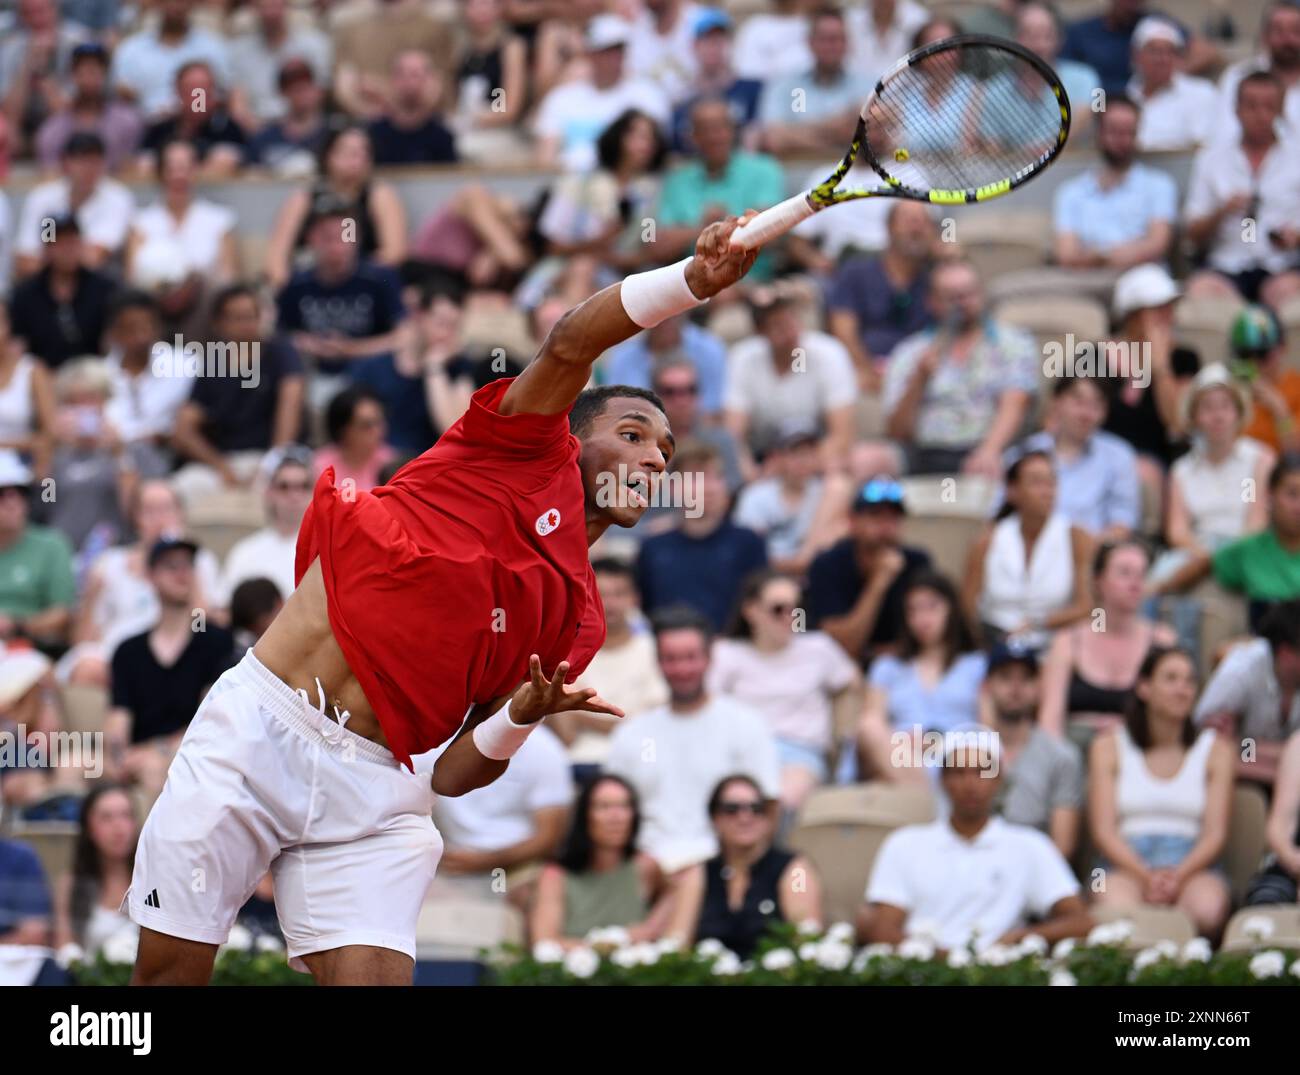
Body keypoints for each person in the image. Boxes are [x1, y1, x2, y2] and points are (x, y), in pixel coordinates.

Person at [125, 212, 762, 985]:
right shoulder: (518, 443)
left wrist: (521, 717)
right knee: (164, 980)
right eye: (633, 433)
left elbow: (454, 772)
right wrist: (689, 282)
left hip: (377, 788)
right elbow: (571, 339)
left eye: (664, 450)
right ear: (575, 429)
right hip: (264, 727)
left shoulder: (578, 617)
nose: (653, 456)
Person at [859, 730, 1091, 952]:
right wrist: (935, 958)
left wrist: (1019, 938)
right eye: (959, 772)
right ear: (943, 779)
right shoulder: (904, 844)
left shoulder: (1030, 846)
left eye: (982, 772)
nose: (970, 784)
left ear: (999, 779)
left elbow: (1081, 922)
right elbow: (883, 929)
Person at [606, 605, 781, 872]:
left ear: (709, 658)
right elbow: (612, 810)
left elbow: (768, 807)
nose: (681, 668)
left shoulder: (747, 725)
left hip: (724, 866)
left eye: (690, 657)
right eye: (671, 659)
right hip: (647, 867)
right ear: (658, 662)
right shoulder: (632, 734)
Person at [1088, 647, 1233, 941]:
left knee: (1207, 909)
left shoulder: (1218, 750)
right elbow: (1103, 832)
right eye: (1171, 679)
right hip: (1123, 862)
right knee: (1116, 912)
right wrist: (1146, 876)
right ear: (1144, 687)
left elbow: (1215, 835)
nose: (1183, 689)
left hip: (1193, 862)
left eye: (1189, 681)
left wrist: (1177, 876)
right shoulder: (1107, 746)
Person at [709, 568, 860, 809]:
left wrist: (844, 732)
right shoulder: (727, 653)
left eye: (796, 608)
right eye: (778, 609)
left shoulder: (818, 648)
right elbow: (708, 704)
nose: (790, 616)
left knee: (780, 801)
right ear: (751, 611)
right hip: (738, 754)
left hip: (799, 753)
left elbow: (854, 685)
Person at [105, 535, 236, 798]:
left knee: (156, 768)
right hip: (138, 756)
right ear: (151, 576)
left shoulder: (216, 641)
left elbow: (210, 720)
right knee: (76, 764)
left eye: (188, 565)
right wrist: (118, 756)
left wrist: (160, 749)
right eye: (171, 566)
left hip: (194, 752)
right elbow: (118, 719)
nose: (182, 574)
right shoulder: (128, 651)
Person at [883, 259, 1039, 477]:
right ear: (932, 302)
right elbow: (897, 432)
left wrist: (990, 450)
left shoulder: (1013, 343)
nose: (963, 303)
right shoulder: (910, 352)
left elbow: (1015, 405)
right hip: (922, 451)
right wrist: (918, 380)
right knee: (865, 460)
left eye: (969, 293)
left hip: (986, 449)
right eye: (952, 297)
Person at [64, 479, 222, 686]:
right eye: (149, 511)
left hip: (177, 650)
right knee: (85, 667)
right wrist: (91, 596)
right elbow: (83, 642)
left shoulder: (200, 560)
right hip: (116, 657)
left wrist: (186, 568)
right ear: (135, 518)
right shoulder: (110, 563)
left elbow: (203, 624)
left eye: (167, 509)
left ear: (181, 515)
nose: (159, 519)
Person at [170, 284, 306, 500]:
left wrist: (269, 467)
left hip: (270, 459)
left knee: (281, 487)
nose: (247, 325)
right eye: (238, 318)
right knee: (180, 489)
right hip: (224, 462)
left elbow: (289, 412)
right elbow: (184, 428)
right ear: (219, 324)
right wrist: (221, 467)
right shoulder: (214, 362)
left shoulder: (281, 353)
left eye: (251, 317)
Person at [530, 774, 697, 948]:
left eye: (625, 806)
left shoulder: (645, 866)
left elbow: (674, 893)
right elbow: (545, 943)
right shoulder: (555, 875)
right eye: (604, 807)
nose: (616, 817)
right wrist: (620, 940)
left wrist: (650, 927)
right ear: (584, 815)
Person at [275, 200, 409, 413]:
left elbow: (405, 336)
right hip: (312, 372)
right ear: (311, 239)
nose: (337, 246)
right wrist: (309, 344)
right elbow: (279, 335)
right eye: (327, 237)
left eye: (346, 236)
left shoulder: (379, 278)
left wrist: (352, 349)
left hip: (368, 372)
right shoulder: (297, 282)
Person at [1039, 539, 1177, 739]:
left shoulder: (1161, 641)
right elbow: (1049, 721)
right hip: (1076, 750)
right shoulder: (1068, 641)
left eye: (1141, 574)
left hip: (1137, 751)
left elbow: (1171, 719)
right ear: (1098, 581)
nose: (1135, 583)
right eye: (1124, 573)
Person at [1184, 71, 1300, 308]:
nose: (1260, 115)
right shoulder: (1211, 159)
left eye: (1268, 106)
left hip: (1282, 266)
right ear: (1236, 109)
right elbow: (1191, 234)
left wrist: (1295, 237)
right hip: (1227, 265)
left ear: (1280, 110)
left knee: (1287, 297)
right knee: (1200, 291)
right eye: (1252, 106)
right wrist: (1222, 212)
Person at [428, 721, 572, 910]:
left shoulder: (544, 749)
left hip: (514, 866)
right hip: (449, 860)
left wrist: (485, 861)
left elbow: (549, 837)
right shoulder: (439, 741)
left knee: (528, 896)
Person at [859, 571, 986, 783]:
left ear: (952, 609)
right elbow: (871, 727)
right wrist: (905, 743)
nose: (922, 618)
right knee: (868, 726)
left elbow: (987, 730)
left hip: (958, 765)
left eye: (932, 606)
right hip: (898, 761)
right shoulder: (887, 667)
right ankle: (932, 807)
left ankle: (934, 806)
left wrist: (936, 741)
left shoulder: (977, 665)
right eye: (913, 610)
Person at [679, 774, 823, 959]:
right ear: (715, 818)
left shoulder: (797, 871)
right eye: (732, 809)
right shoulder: (699, 873)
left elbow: (808, 941)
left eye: (756, 808)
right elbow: (676, 943)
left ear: (767, 818)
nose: (745, 817)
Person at [636, 439, 767, 631]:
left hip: (735, 650)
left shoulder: (748, 542)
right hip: (670, 651)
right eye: (698, 477)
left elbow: (761, 606)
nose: (710, 487)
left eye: (717, 477)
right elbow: (643, 610)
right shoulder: (653, 548)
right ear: (674, 487)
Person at [963, 451, 1093, 645]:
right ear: (1012, 491)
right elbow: (967, 608)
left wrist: (1039, 623)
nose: (1047, 492)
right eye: (1037, 483)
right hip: (994, 644)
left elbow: (1088, 607)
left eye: (1051, 483)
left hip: (1053, 644)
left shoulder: (1077, 538)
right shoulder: (987, 541)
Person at [1156, 454, 1300, 627]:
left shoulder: (1255, 457)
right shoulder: (1250, 550)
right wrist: (1158, 589)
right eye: (1292, 494)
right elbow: (1207, 563)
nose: (1298, 506)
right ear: (1270, 496)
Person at [653, 96, 785, 281]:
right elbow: (656, 247)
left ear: (733, 131)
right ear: (692, 137)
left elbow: (773, 234)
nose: (713, 137)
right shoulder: (677, 180)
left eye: (720, 128)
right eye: (704, 130)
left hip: (751, 283)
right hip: (691, 287)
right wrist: (703, 228)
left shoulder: (765, 170)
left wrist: (720, 229)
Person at [551, 558, 668, 766]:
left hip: (639, 762)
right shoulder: (565, 653)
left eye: (619, 594)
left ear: (635, 599)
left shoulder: (655, 650)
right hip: (576, 763)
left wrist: (583, 718)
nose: (610, 603)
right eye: (602, 595)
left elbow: (654, 723)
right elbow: (564, 729)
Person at [724, 292, 857, 474]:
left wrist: (795, 467)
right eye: (778, 325)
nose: (790, 331)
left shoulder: (829, 354)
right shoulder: (743, 359)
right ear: (760, 332)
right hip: (764, 460)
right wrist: (752, 472)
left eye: (793, 320)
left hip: (819, 460)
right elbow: (734, 434)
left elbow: (841, 435)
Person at [805, 476, 930, 668]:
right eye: (875, 516)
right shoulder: (828, 565)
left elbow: (933, 635)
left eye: (893, 517)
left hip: (905, 666)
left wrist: (893, 653)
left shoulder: (917, 562)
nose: (885, 526)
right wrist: (879, 582)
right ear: (852, 521)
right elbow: (841, 647)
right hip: (841, 669)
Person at [265, 124, 408, 290]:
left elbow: (394, 252)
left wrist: (355, 278)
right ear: (328, 156)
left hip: (364, 286)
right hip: (310, 285)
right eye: (349, 152)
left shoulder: (379, 196)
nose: (357, 159)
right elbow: (276, 257)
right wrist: (289, 289)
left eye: (364, 153)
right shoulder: (304, 198)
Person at [124, 139, 238, 337]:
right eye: (172, 169)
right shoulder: (140, 222)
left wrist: (189, 287)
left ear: (196, 171)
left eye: (185, 168)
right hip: (155, 310)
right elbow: (133, 279)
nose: (179, 176)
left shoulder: (219, 219)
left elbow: (228, 280)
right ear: (160, 173)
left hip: (203, 313)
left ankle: (208, 364)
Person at [1051, 95, 1177, 273]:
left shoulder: (1159, 185)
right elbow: (1066, 256)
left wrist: (1099, 257)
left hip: (1141, 277)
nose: (1122, 140)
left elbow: (1156, 246)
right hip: (1086, 279)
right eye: (1114, 131)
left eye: (1129, 132)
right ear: (1099, 133)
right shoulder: (1070, 192)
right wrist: (1120, 253)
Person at [982, 640, 1084, 860]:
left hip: (1034, 867)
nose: (1015, 688)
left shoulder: (1062, 756)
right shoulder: (964, 752)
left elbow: (1063, 846)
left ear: (1039, 686)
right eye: (1005, 677)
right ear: (987, 685)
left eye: (1026, 678)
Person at [1163, 363, 1273, 565]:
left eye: (1225, 406)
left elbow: (1256, 524)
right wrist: (1204, 558)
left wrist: (1226, 561)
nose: (1218, 416)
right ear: (1194, 417)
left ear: (1238, 413)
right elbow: (1177, 531)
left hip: (1246, 554)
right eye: (1207, 407)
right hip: (1195, 556)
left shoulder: (1258, 460)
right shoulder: (1182, 470)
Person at [532, 15, 670, 172]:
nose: (615, 57)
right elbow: (545, 157)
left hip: (628, 185)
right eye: (607, 50)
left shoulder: (648, 95)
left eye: (620, 49)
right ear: (590, 54)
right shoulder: (561, 97)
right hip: (570, 185)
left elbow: (652, 153)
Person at [826, 201, 936, 387]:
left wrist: (953, 259)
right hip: (863, 372)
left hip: (921, 377)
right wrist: (868, 371)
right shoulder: (856, 271)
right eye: (909, 220)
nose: (916, 228)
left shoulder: (937, 276)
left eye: (923, 222)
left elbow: (953, 330)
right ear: (889, 227)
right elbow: (843, 331)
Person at [1018, 376, 1140, 541]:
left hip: (1092, 553)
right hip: (1029, 548)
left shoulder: (1119, 456)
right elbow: (1002, 512)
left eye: (1096, 405)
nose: (1086, 414)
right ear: (1056, 402)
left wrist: (1084, 549)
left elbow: (1123, 522)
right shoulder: (1025, 453)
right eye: (1078, 401)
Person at [1193, 601, 1300, 788]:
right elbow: (1208, 745)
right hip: (1242, 778)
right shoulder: (1241, 671)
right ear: (1286, 652)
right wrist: (1281, 756)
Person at [40, 357, 131, 558]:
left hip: (111, 554)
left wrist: (119, 455)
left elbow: (131, 510)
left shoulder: (124, 450)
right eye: (74, 401)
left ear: (106, 401)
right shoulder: (58, 455)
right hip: (62, 555)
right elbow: (46, 503)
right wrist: (50, 451)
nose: (83, 408)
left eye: (90, 398)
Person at [14, 131, 134, 278]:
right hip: (46, 288)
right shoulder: (44, 199)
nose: (88, 168)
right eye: (81, 160)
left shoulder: (117, 198)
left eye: (95, 161)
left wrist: (52, 255)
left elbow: (94, 258)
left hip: (97, 289)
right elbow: (25, 260)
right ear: (65, 162)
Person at [758, 6, 872, 156]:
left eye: (836, 39)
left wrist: (797, 134)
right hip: (798, 173)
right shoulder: (785, 86)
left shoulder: (867, 85)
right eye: (824, 39)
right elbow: (772, 138)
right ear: (809, 43)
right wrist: (839, 129)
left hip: (854, 176)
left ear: (847, 43)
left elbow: (874, 137)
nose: (830, 46)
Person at [8, 214, 117, 371]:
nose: (67, 249)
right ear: (46, 248)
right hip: (43, 377)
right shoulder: (25, 295)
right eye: (59, 243)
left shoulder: (104, 289)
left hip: (94, 375)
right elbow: (19, 345)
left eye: (72, 241)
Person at [732, 420, 839, 574]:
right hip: (764, 578)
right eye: (795, 453)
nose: (803, 460)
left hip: (813, 578)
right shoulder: (755, 495)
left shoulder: (829, 494)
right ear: (778, 457)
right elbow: (746, 551)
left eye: (809, 453)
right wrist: (797, 565)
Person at [0, 450, 76, 653]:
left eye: (21, 492)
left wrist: (17, 625)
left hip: (30, 648)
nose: (12, 502)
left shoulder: (52, 544)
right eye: (2, 494)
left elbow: (62, 612)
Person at [218, 448, 314, 607]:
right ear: (269, 493)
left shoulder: (327, 551)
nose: (294, 495)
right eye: (284, 487)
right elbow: (223, 607)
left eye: (303, 486)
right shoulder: (245, 551)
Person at [330, 0, 455, 121]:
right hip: (366, 123)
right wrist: (370, 112)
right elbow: (344, 86)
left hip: (421, 123)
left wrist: (386, 94)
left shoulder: (434, 28)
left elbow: (439, 83)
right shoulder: (351, 28)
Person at [53, 783, 137, 956]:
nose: (119, 828)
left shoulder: (153, 880)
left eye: (126, 816)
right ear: (89, 828)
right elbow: (64, 947)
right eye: (106, 818)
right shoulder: (70, 885)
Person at [34, 42, 144, 175]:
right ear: (72, 76)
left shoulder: (128, 121)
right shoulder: (52, 131)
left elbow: (133, 170)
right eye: (82, 71)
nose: (88, 78)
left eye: (94, 70)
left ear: (105, 74)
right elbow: (50, 177)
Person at [109, 0, 231, 119]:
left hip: (197, 126)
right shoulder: (131, 49)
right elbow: (119, 91)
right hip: (145, 126)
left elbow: (223, 93)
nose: (175, 5)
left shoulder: (212, 48)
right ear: (158, 3)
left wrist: (188, 110)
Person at [227, 0, 333, 133]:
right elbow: (238, 106)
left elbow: (319, 94)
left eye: (275, 6)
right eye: (264, 7)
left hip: (304, 127)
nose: (270, 14)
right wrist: (264, 135)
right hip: (256, 131)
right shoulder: (238, 52)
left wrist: (296, 129)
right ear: (253, 10)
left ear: (286, 6)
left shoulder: (315, 45)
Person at [668, 8, 763, 154]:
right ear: (694, 45)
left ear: (730, 44)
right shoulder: (682, 99)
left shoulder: (753, 90)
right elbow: (677, 146)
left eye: (719, 40)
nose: (713, 47)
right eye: (706, 40)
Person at [136, 61, 247, 180]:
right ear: (178, 92)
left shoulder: (228, 129)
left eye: (203, 90)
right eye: (192, 90)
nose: (198, 99)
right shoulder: (160, 129)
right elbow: (142, 164)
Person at [449, 0, 527, 162]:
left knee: (465, 147)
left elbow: (510, 108)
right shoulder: (460, 49)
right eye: (474, 5)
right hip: (466, 123)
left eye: (488, 4)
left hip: (498, 127)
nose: (481, 11)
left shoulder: (511, 47)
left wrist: (474, 119)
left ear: (499, 8)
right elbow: (452, 98)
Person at [1126, 16, 1217, 151]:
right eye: (1154, 51)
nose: (1163, 59)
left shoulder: (1202, 93)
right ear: (1136, 55)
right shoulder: (1124, 95)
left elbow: (1205, 147)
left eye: (1170, 52)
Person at [1215, 2, 1300, 141]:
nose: (1287, 39)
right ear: (1264, 36)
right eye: (1279, 31)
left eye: (1296, 31)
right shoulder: (1238, 76)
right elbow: (1225, 137)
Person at [1229, 304, 1300, 456]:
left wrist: (1280, 410)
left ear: (1282, 348)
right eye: (1245, 355)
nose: (1254, 364)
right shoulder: (1229, 389)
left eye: (1262, 355)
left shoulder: (1296, 386)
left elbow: (1295, 455)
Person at [365, 50, 457, 167]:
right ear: (392, 80)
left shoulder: (443, 136)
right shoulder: (372, 135)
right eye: (402, 74)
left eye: (416, 75)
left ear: (430, 81)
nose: (409, 82)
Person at [244, 58, 330, 176]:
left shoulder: (331, 136)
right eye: (293, 88)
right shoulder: (265, 138)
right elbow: (251, 175)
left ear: (317, 90)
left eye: (305, 86)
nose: (300, 93)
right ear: (283, 93)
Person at [0, 302, 56, 479]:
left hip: (23, 470)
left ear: (8, 325)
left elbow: (51, 432)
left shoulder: (32, 371)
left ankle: (47, 503)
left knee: (49, 480)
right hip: (22, 453)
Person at [1245, 728, 1300, 905]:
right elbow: (1277, 828)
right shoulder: (1297, 744)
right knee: (1264, 903)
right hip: (1293, 862)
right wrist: (1294, 862)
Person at [313, 385, 397, 495]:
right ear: (343, 430)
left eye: (379, 422)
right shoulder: (319, 467)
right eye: (366, 426)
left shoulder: (393, 464)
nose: (378, 431)